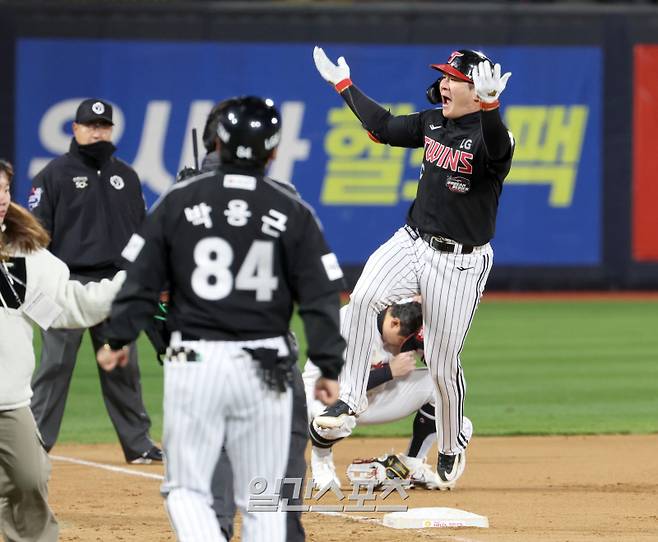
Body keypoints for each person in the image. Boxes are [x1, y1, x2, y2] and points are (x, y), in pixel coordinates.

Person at [95, 96, 345, 542]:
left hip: (196, 361)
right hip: (268, 364)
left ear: (217, 142)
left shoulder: (179, 200)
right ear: (273, 151)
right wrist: (327, 363)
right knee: (264, 496)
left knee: (186, 490)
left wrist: (118, 337)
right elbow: (321, 292)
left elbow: (139, 280)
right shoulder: (291, 208)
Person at [312, 47, 514, 489]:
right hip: (413, 239)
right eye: (442, 76)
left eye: (453, 78)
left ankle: (449, 447)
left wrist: (492, 106)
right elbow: (382, 127)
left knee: (442, 363)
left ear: (475, 89)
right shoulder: (432, 122)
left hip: (459, 263)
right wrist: (343, 86)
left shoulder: (491, 135)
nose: (444, 83)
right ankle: (350, 401)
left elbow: (498, 153)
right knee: (364, 297)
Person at [28, 98, 161, 464]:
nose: (97, 130)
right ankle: (36, 443)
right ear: (75, 129)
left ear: (111, 130)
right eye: (90, 125)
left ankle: (138, 444)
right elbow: (37, 236)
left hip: (115, 284)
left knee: (122, 367)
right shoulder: (53, 175)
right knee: (53, 367)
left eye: (103, 125)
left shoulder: (127, 176)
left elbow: (141, 233)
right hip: (66, 283)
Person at [0, 159, 125, 542]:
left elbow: (65, 308)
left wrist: (131, 285)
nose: (1, 199)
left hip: (6, 402)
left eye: (4, 189)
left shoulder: (21, 259)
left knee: (31, 477)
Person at [304, 298, 472, 490]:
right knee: (340, 419)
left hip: (373, 397)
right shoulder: (351, 324)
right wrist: (389, 371)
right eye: (402, 339)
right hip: (325, 396)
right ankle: (321, 461)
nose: (404, 344)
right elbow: (342, 387)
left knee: (440, 383)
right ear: (394, 323)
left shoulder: (405, 313)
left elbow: (443, 367)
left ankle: (411, 466)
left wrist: (452, 426)